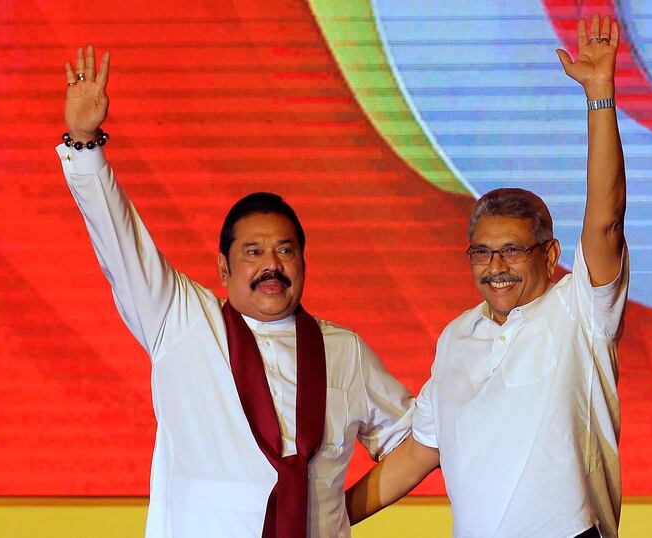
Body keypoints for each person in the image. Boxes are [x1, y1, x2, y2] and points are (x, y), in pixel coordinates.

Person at [58, 45, 415, 538]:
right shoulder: (180, 320)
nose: (271, 264)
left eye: (285, 251)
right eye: (253, 252)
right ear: (223, 268)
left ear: (304, 263)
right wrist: (85, 142)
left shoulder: (345, 351)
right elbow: (120, 245)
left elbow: (416, 443)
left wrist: (335, 512)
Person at [346, 14, 628, 538]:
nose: (495, 267)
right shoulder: (456, 337)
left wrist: (600, 95)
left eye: (512, 251)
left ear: (550, 257)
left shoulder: (580, 312)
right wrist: (324, 519)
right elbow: (419, 452)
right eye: (482, 253)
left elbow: (606, 220)